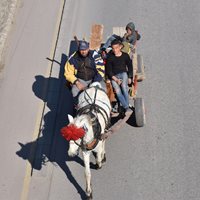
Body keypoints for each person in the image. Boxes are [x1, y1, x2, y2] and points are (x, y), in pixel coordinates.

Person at [64, 40, 105, 106]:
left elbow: (101, 69)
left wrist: (95, 82)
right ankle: (78, 107)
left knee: (104, 90)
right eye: (81, 50)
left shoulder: (95, 55)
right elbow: (68, 73)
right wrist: (76, 82)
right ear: (79, 50)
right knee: (74, 92)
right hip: (80, 80)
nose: (83, 52)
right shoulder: (72, 59)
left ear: (88, 48)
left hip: (95, 78)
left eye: (85, 49)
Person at [106, 39, 133, 115]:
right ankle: (127, 107)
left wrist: (130, 77)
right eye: (113, 48)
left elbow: (130, 67)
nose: (115, 50)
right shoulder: (110, 58)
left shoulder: (125, 56)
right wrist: (116, 80)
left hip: (123, 74)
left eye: (116, 48)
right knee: (117, 91)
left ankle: (125, 107)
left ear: (120, 47)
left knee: (124, 87)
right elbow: (109, 71)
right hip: (114, 77)